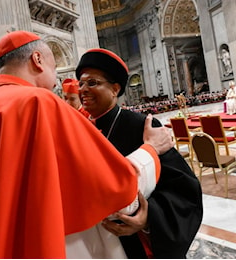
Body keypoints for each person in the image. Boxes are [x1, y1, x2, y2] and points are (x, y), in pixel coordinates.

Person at [0, 30, 174, 258]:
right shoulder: (36, 102)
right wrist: (150, 151)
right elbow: (115, 188)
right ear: (37, 59)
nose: (57, 81)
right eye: (54, 68)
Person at [75, 48, 203, 258]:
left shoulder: (143, 126)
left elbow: (184, 189)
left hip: (139, 244)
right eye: (81, 83)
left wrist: (149, 219)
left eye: (93, 83)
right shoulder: (80, 130)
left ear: (115, 89)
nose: (83, 90)